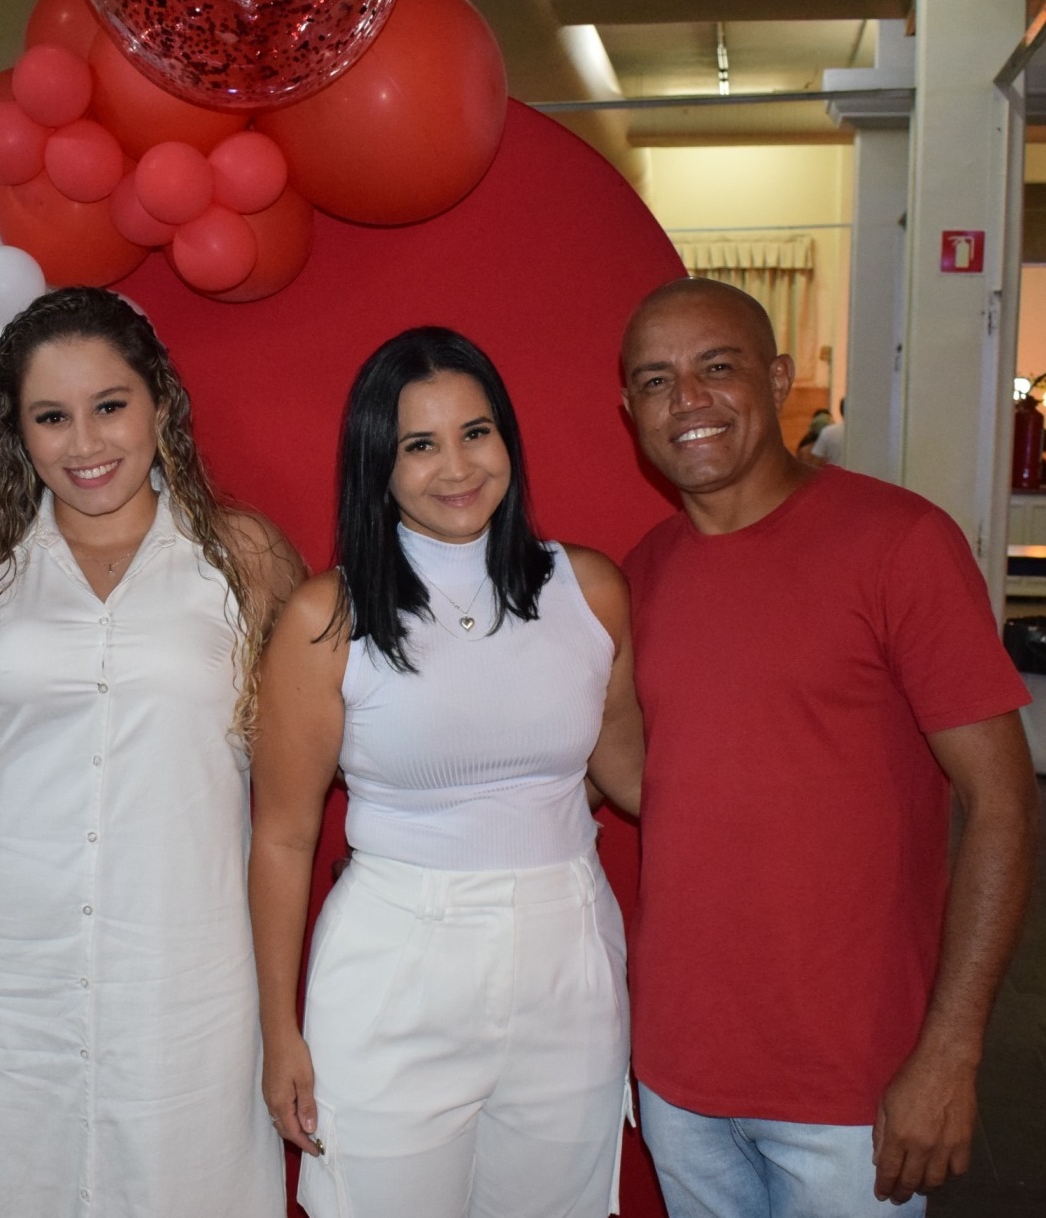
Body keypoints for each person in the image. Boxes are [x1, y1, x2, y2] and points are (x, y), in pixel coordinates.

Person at [618, 277, 1038, 1216]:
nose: (686, 399)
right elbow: (657, 786)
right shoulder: (642, 573)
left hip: (855, 1088)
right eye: (654, 380)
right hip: (681, 1075)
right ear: (629, 410)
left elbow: (1004, 805)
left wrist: (951, 1051)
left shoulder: (899, 543)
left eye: (715, 367)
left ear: (776, 379)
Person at [0, 286, 303, 1216]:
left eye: (110, 406)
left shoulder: (244, 556)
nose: (84, 443)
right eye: (51, 416)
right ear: (17, 433)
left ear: (160, 404)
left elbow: (326, 747)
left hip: (184, 972)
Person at [249, 326, 643, 1218]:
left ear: (507, 439)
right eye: (418, 445)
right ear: (377, 465)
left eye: (475, 432)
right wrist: (278, 1032)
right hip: (394, 968)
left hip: (569, 964)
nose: (456, 467)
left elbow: (630, 771)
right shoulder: (326, 619)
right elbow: (281, 837)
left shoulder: (589, 590)